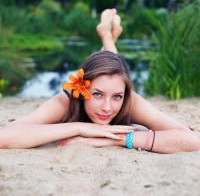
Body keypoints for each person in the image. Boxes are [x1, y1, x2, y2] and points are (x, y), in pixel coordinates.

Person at [0, 9, 199, 153]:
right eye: (97, 94)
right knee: (111, 71)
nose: (106, 108)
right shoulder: (67, 100)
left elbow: (191, 140)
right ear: (82, 90)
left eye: (117, 97)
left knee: (114, 72)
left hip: (115, 82)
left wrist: (118, 139)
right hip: (92, 88)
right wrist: (78, 127)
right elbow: (6, 136)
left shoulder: (130, 100)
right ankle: (107, 36)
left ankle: (107, 35)